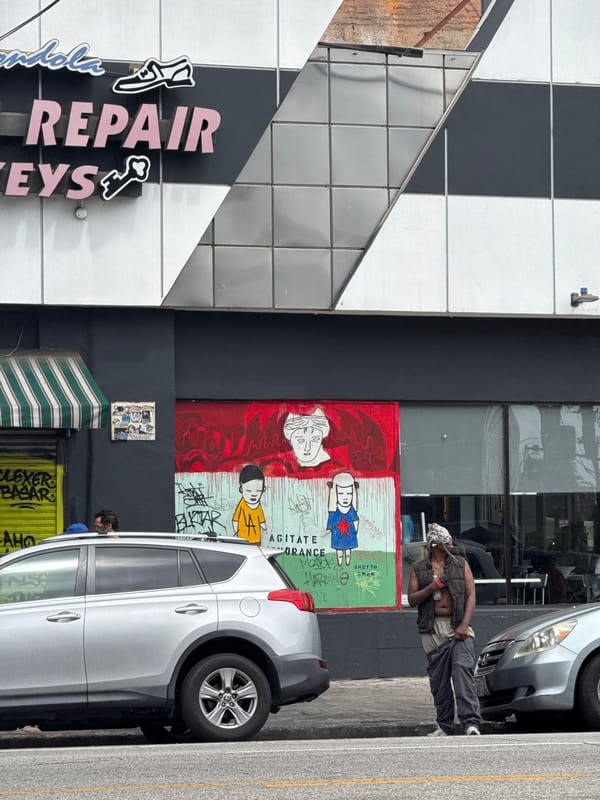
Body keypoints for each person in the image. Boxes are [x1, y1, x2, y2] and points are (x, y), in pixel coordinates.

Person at [407, 522, 481, 737]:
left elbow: (471, 595)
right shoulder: (419, 568)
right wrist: (431, 588)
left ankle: (470, 722)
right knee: (439, 680)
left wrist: (464, 624)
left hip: (458, 624)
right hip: (431, 628)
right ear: (435, 545)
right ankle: (445, 725)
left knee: (462, 670)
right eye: (446, 542)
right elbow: (412, 599)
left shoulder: (460, 564)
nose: (450, 545)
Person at [326, 471, 359, 567]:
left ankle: (347, 562)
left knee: (348, 551)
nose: (345, 497)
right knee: (339, 551)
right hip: (337, 536)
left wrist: (355, 530)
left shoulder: (351, 509)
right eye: (341, 493)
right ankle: (340, 563)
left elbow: (356, 520)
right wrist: (328, 529)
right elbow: (330, 521)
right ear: (335, 494)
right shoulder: (334, 511)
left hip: (349, 535)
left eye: (349, 493)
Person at [232, 464, 266, 545]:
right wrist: (236, 531)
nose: (253, 494)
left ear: (263, 489)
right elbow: (235, 520)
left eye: (258, 491)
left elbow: (261, 520)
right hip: (242, 540)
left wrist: (264, 527)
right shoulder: (242, 505)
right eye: (249, 491)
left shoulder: (258, 506)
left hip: (256, 540)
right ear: (241, 489)